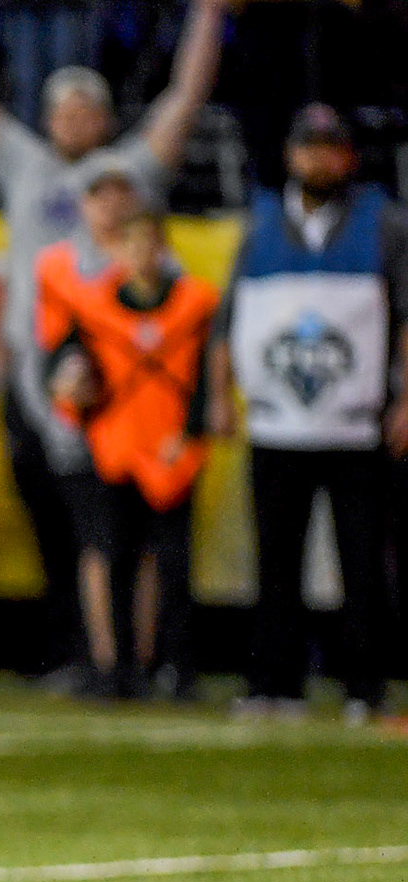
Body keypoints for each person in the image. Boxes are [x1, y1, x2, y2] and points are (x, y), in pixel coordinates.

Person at [0, 0, 227, 680]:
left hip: (117, 375)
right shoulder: (26, 165)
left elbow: (183, 100)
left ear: (107, 120)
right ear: (50, 117)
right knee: (57, 518)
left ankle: (132, 657)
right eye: (66, 110)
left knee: (118, 524)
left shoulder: (126, 173)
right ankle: (77, 647)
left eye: (89, 110)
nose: (77, 121)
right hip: (36, 368)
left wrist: (208, 16)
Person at [210, 104, 408, 722]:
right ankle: (275, 682)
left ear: (348, 156)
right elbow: (228, 317)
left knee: (362, 558)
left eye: (330, 147)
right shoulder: (262, 222)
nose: (318, 158)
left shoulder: (385, 224)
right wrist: (219, 394)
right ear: (290, 155)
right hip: (276, 422)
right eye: (307, 147)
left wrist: (406, 400)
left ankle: (363, 686)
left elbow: (406, 318)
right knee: (275, 559)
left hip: (357, 421)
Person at [41, 205, 218, 699]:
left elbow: (209, 374)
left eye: (149, 243)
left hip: (170, 449)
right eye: (130, 243)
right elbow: (66, 367)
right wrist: (72, 388)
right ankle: (114, 667)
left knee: (172, 564)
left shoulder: (194, 301)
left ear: (163, 247)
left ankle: (175, 667)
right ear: (116, 249)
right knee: (113, 556)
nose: (140, 254)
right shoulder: (94, 304)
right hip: (114, 446)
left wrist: (193, 428)